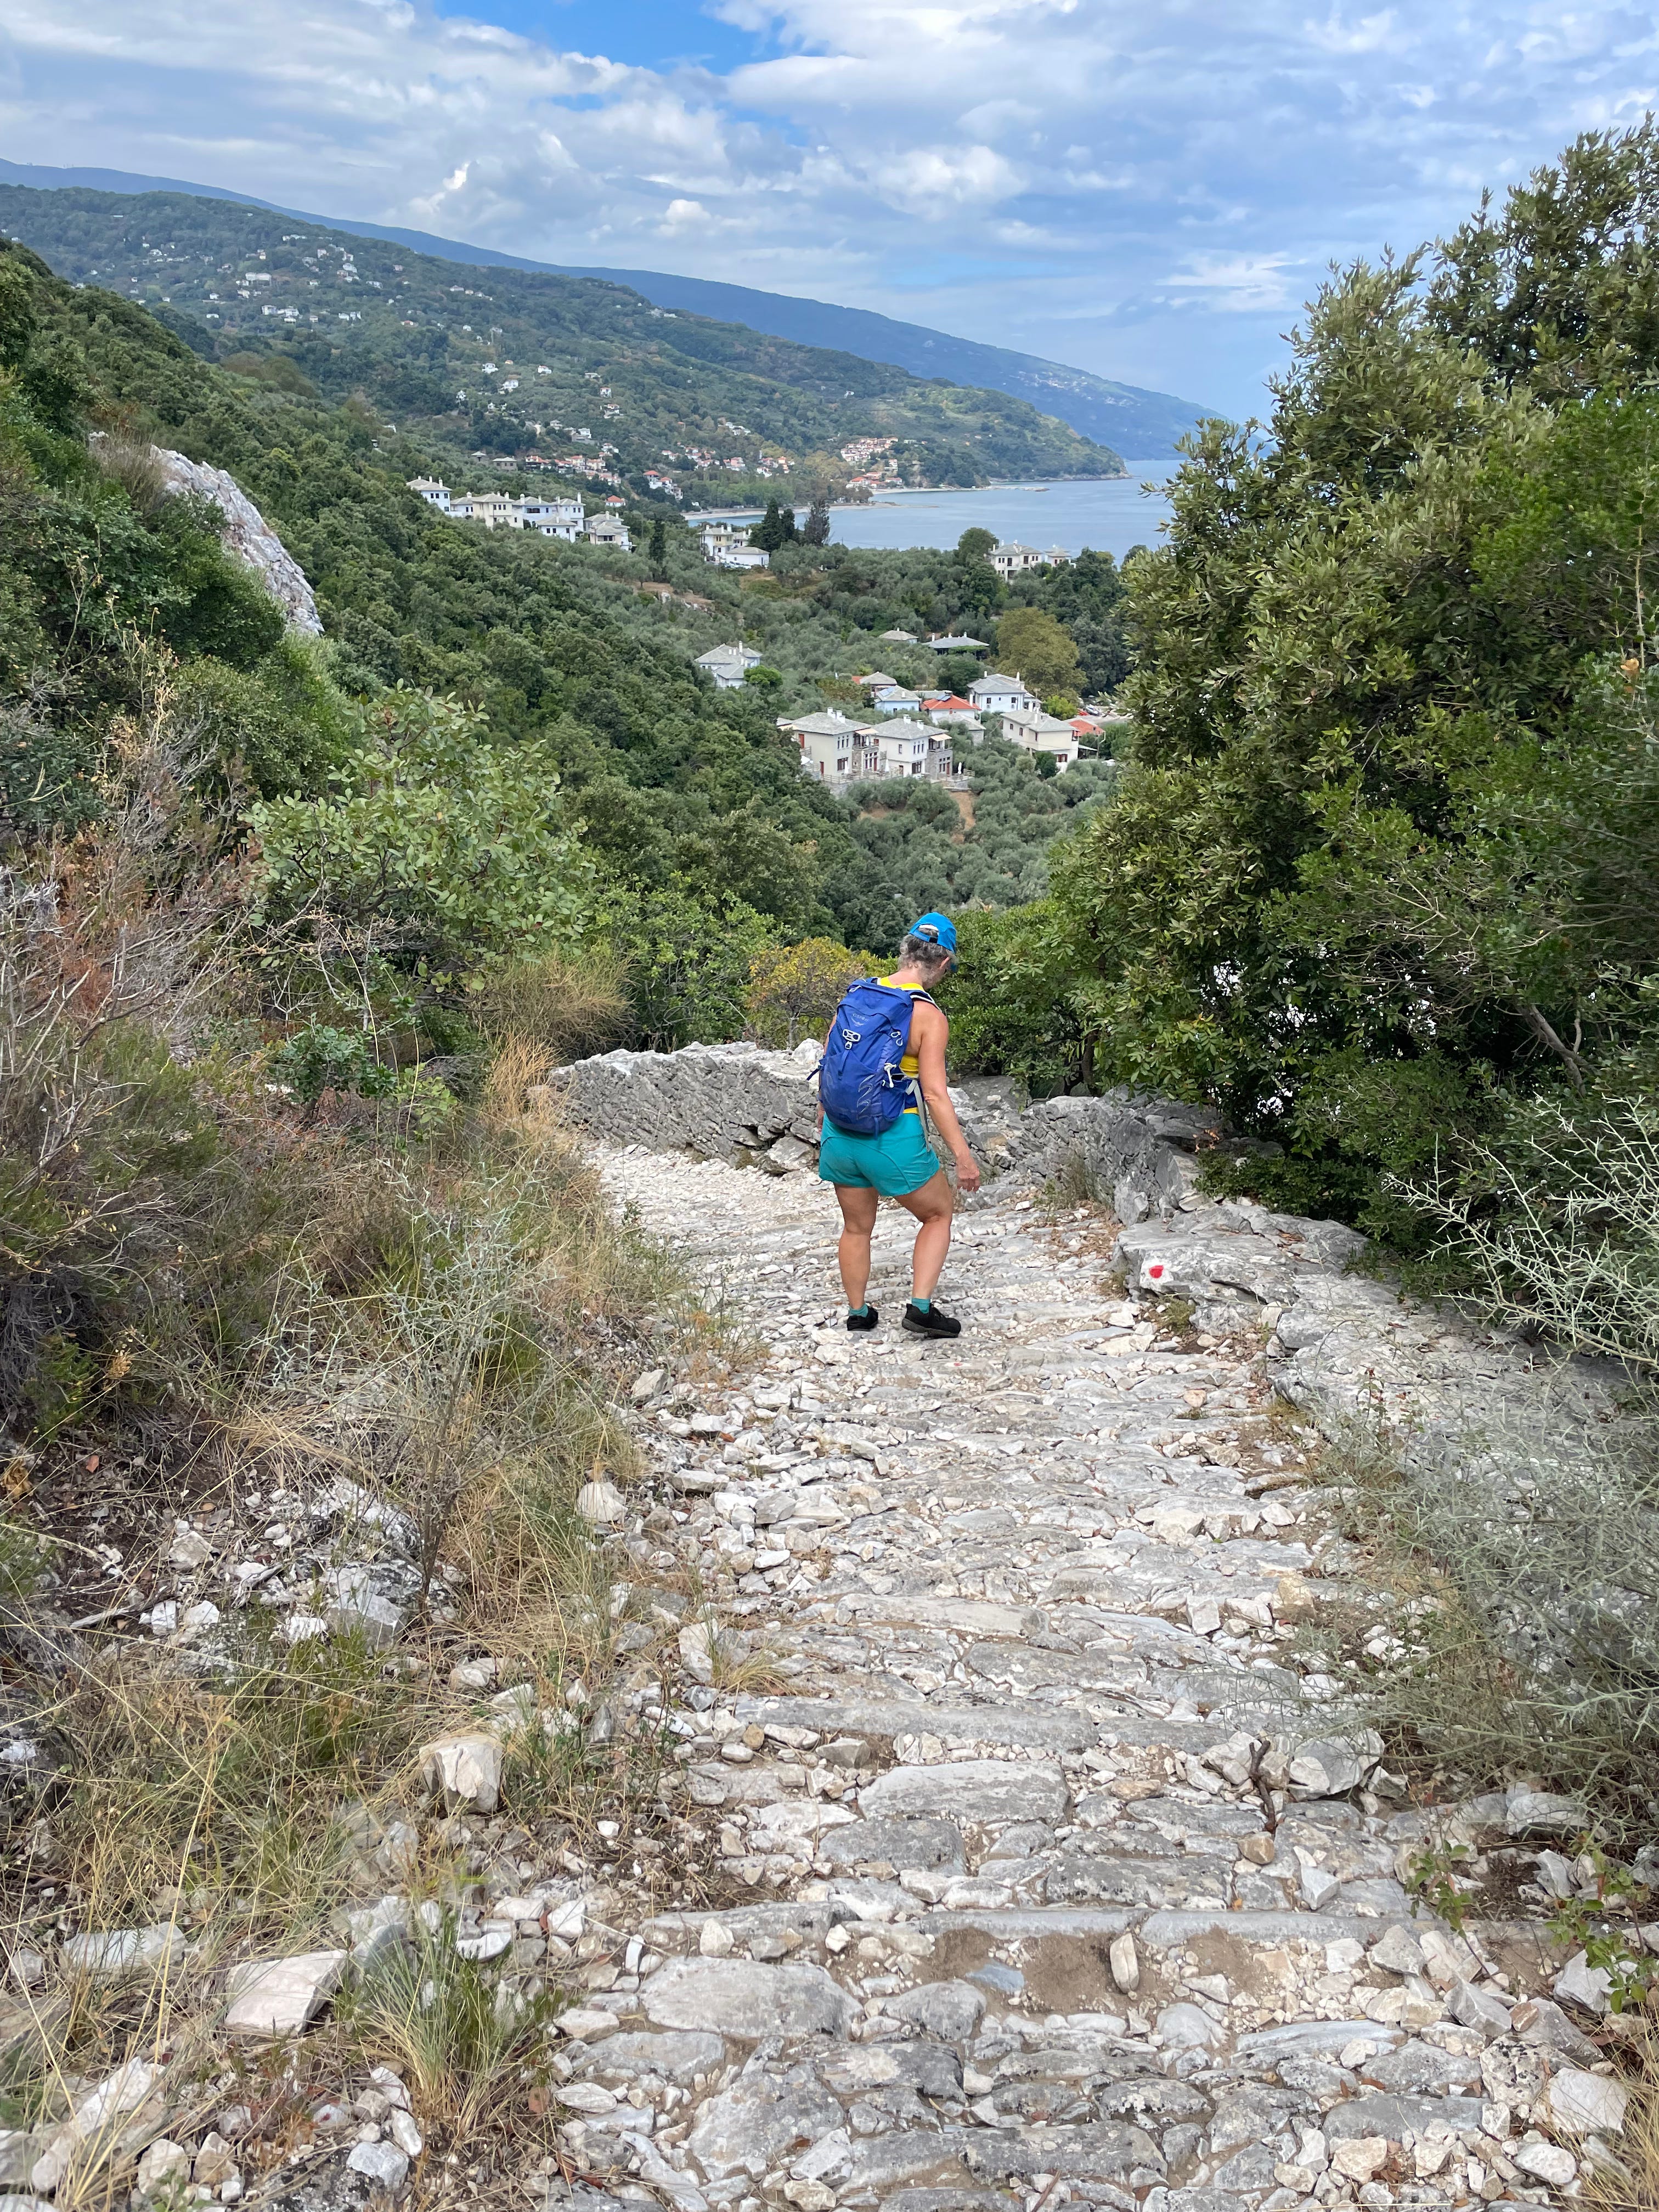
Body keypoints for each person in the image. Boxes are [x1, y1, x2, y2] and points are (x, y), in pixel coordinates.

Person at [816, 912, 981, 1338]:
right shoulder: (928, 1016)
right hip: (891, 1136)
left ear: (905, 951)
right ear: (943, 964)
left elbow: (830, 1066)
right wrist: (963, 1158)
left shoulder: (856, 995)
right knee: (939, 1213)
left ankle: (859, 1313)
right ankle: (921, 1309)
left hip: (839, 1134)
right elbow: (934, 1095)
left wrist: (825, 1125)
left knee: (856, 1227)